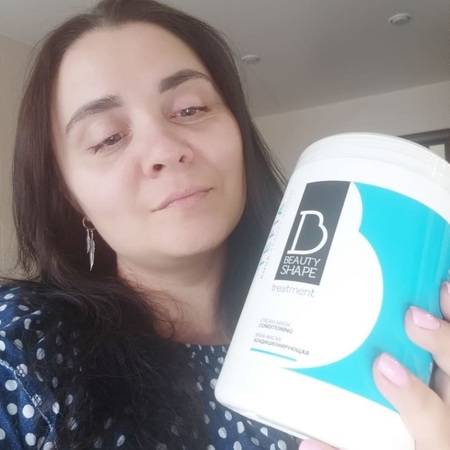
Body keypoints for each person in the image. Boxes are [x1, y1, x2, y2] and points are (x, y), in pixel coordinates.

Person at [1, 0, 449, 448]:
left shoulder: (361, 331)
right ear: (69, 194)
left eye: (190, 109)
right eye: (109, 138)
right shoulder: (20, 352)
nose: (165, 149)